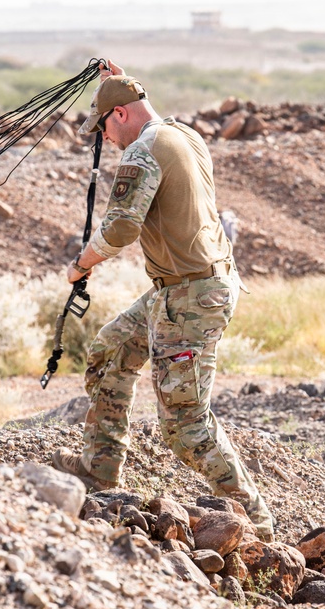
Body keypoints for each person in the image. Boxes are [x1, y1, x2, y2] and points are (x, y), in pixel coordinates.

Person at [51, 60, 274, 540]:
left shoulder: (141, 152)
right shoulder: (184, 134)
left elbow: (122, 227)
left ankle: (255, 523)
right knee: (111, 352)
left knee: (184, 427)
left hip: (190, 298)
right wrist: (121, 80)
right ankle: (100, 472)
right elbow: (142, 109)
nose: (106, 140)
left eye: (105, 127)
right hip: (181, 289)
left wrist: (82, 264)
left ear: (121, 115)